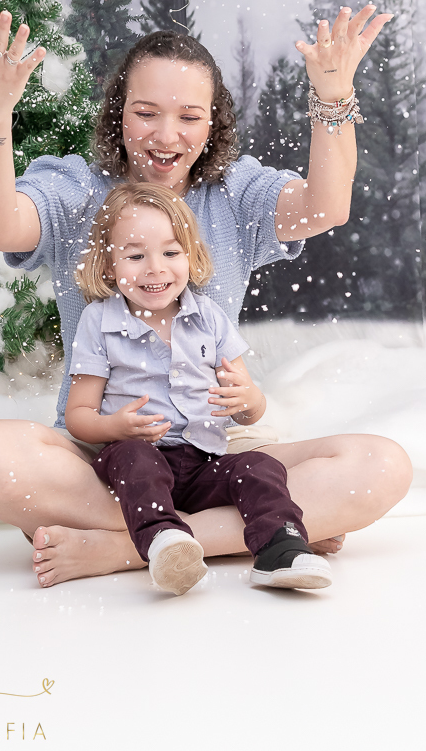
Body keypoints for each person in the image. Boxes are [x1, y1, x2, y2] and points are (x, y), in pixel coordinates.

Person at [0, 5, 412, 589]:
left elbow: (326, 207)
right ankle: (263, 530)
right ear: (118, 114)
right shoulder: (76, 188)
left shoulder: (235, 192)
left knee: (381, 467)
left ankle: (127, 546)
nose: (167, 137)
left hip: (216, 450)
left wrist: (333, 95)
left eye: (190, 117)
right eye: (146, 113)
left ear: (213, 123)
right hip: (108, 456)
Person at [68, 181, 333, 595]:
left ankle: (280, 548)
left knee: (259, 466)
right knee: (139, 462)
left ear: (190, 258)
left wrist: (249, 401)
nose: (155, 268)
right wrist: (116, 428)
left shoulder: (208, 316)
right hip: (137, 457)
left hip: (205, 461)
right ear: (107, 265)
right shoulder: (98, 321)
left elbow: (248, 406)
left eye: (171, 253)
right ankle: (163, 541)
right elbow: (78, 417)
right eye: (135, 256)